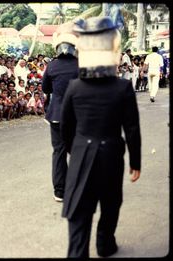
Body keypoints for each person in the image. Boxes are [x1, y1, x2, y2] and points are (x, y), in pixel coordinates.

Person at [60, 17, 141, 258]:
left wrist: (75, 151)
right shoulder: (123, 88)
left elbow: (66, 127)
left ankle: (77, 253)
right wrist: (135, 162)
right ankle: (105, 245)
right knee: (110, 204)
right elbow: (132, 129)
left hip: (82, 154)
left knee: (79, 212)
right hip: (112, 156)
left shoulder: (75, 87)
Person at [42, 21, 79, 202]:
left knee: (59, 152)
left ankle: (59, 191)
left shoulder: (51, 66)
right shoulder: (82, 65)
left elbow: (45, 88)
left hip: (56, 115)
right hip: (77, 116)